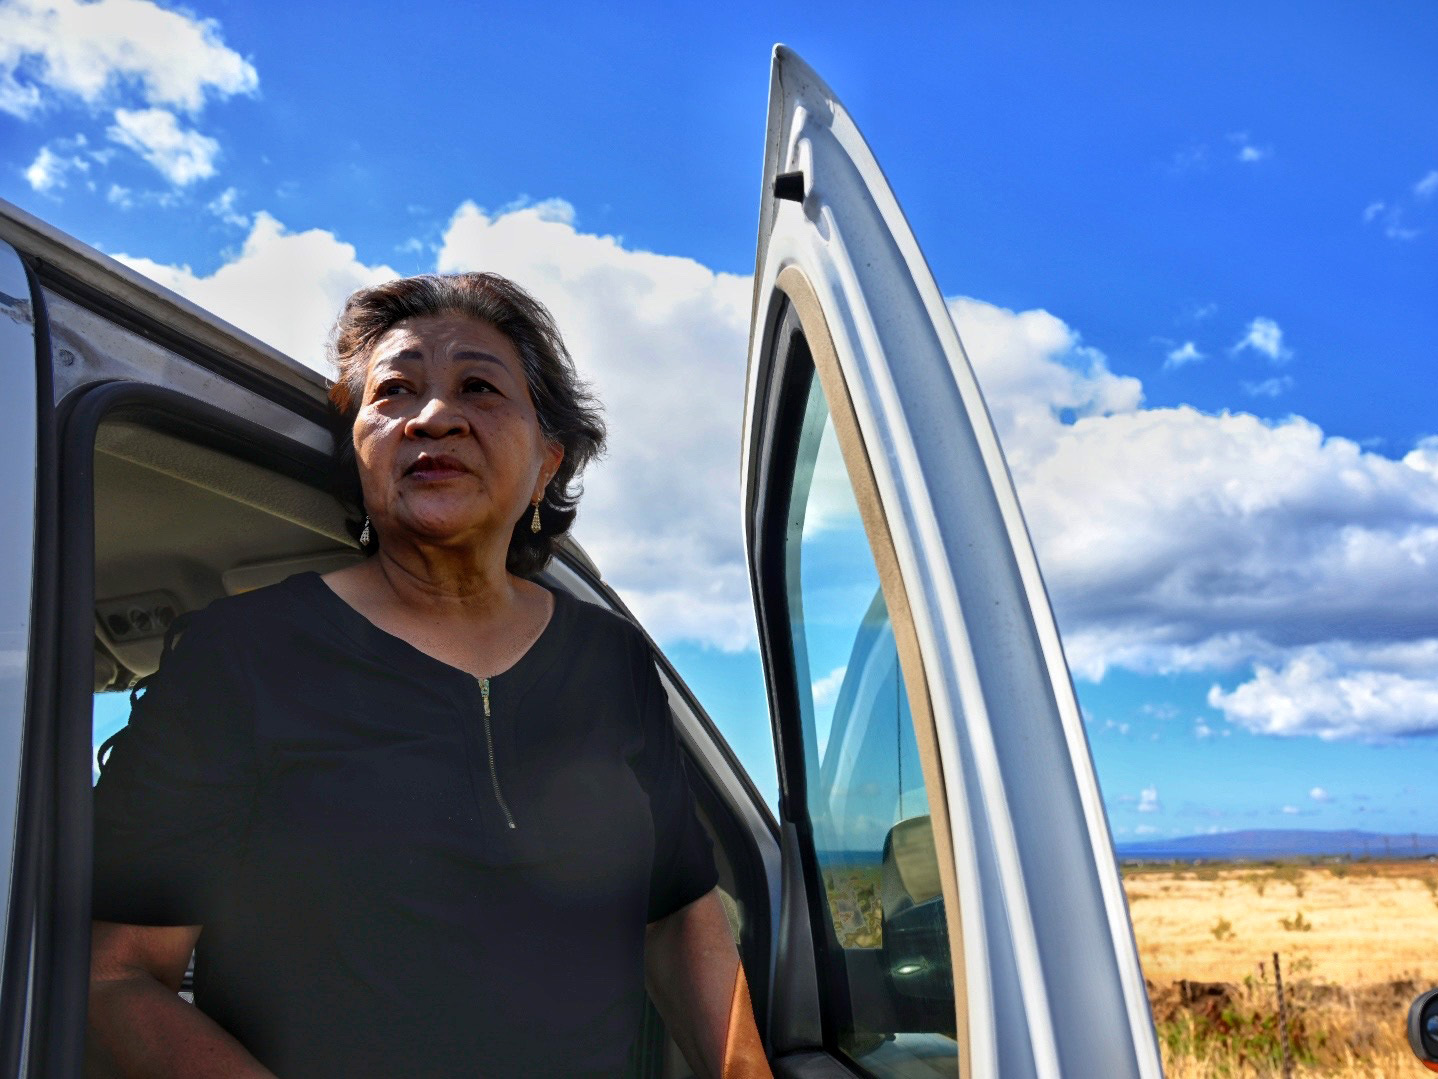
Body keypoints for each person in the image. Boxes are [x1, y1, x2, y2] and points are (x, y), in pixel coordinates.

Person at [86, 272, 769, 1078]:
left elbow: (679, 919)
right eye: (395, 391)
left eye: (478, 386)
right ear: (359, 444)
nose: (434, 417)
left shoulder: (611, 658)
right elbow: (113, 978)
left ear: (548, 461)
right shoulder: (242, 655)